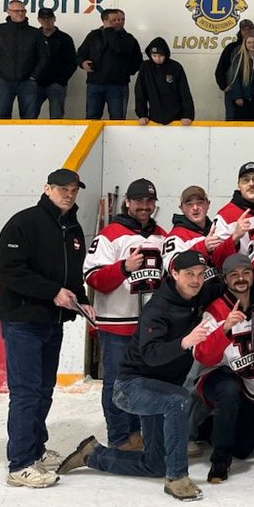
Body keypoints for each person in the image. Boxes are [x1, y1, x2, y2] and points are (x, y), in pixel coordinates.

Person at [57, 250, 217, 502]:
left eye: (199, 275)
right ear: (174, 274)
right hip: (131, 388)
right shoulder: (158, 308)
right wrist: (185, 342)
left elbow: (229, 285)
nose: (195, 280)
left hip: (160, 388)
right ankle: (177, 477)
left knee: (155, 464)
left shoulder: (198, 294)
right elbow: (151, 355)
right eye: (188, 275)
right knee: (179, 399)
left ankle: (93, 455)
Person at [0, 167, 88, 487]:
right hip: (23, 322)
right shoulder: (24, 222)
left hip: (53, 321)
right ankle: (20, 463)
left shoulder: (73, 228)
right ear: (47, 189)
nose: (69, 194)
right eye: (62, 188)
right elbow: (6, 269)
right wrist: (52, 293)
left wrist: (82, 299)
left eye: (74, 189)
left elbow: (72, 273)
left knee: (44, 391)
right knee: (26, 393)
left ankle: (35, 448)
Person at [84, 178, 168, 450]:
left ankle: (136, 433)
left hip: (150, 328)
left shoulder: (162, 236)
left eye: (149, 201)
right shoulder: (110, 235)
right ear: (128, 202)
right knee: (117, 383)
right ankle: (120, 437)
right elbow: (94, 278)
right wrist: (124, 267)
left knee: (144, 384)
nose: (144, 206)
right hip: (117, 326)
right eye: (139, 201)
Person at [192, 253, 254, 483]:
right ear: (225, 280)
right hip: (220, 375)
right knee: (228, 390)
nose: (241, 278)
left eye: (245, 272)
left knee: (244, 449)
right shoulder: (215, 310)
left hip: (252, 379)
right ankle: (220, 461)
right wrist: (224, 329)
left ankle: (212, 428)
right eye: (234, 275)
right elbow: (203, 354)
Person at [0, 1, 47, 119]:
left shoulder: (35, 33)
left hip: (28, 82)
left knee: (29, 119)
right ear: (8, 12)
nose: (20, 13)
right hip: (3, 81)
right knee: (1, 118)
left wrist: (34, 76)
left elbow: (44, 56)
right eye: (16, 11)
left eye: (23, 11)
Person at [78, 8, 142, 119]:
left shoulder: (128, 38)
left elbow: (120, 49)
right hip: (95, 84)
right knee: (92, 118)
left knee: (118, 119)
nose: (119, 22)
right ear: (104, 21)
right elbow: (80, 53)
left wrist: (126, 71)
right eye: (115, 20)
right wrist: (82, 63)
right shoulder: (93, 36)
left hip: (118, 85)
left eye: (122, 19)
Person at [134, 38, 194, 126]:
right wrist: (142, 114)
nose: (157, 59)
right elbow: (140, 92)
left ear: (166, 54)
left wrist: (188, 115)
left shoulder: (176, 67)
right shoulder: (145, 68)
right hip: (154, 117)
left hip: (177, 118)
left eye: (160, 56)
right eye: (154, 56)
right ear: (150, 55)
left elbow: (184, 92)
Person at [34, 8, 78, 119]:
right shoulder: (33, 37)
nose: (47, 21)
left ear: (54, 19)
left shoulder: (65, 38)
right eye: (43, 19)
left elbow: (72, 61)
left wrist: (61, 80)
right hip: (35, 84)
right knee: (30, 116)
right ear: (39, 20)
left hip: (56, 84)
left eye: (49, 18)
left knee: (57, 117)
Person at [214, 18, 254, 98]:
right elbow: (221, 68)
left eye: (250, 29)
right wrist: (224, 86)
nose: (247, 31)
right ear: (240, 32)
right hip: (233, 92)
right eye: (244, 29)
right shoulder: (231, 48)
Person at [223, 34, 254, 121]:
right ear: (245, 44)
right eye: (249, 43)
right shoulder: (239, 58)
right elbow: (235, 79)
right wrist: (238, 96)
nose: (252, 45)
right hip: (243, 99)